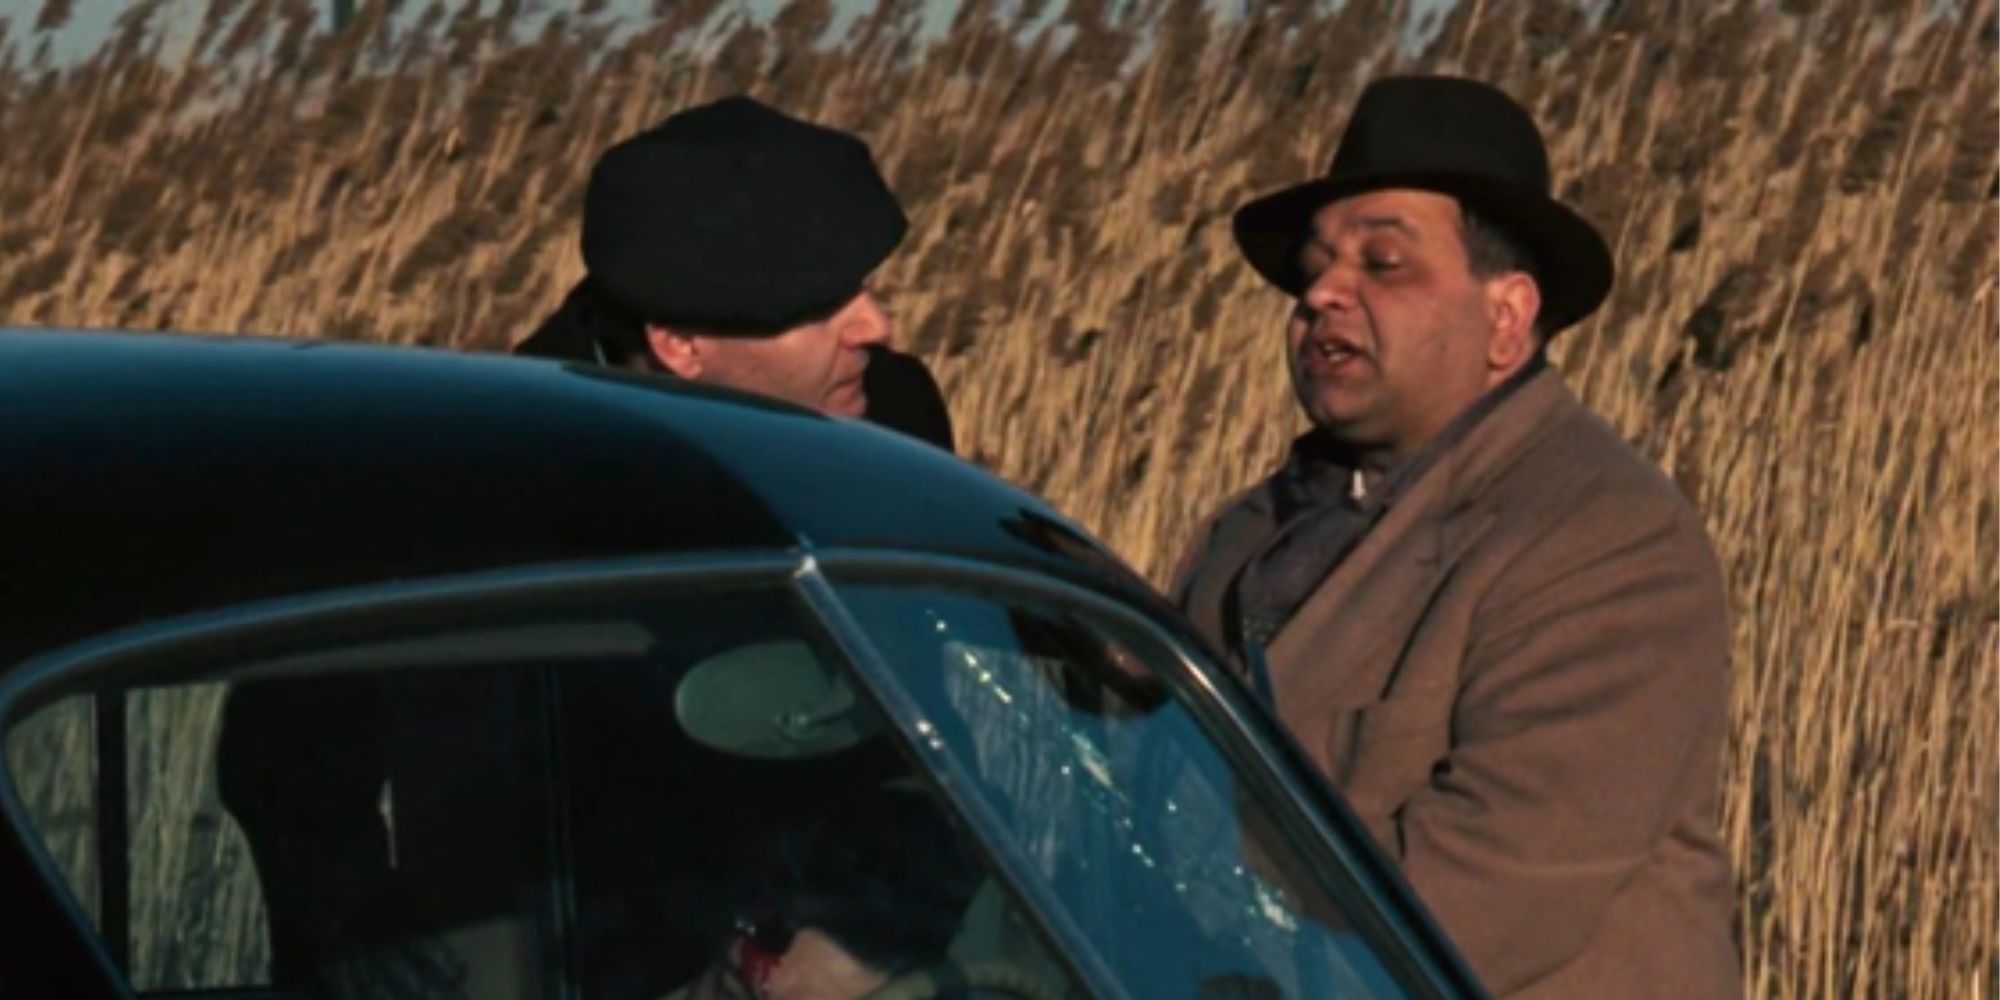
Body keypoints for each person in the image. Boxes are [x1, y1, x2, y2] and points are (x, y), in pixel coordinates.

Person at [1171, 76, 1737, 998]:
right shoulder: (1248, 534)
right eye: (1315, 268)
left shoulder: (1607, 540)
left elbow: (1481, 891)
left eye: (1382, 264)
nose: (1322, 295)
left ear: (1506, 319)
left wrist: (1200, 961)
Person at [515, 95, 953, 453]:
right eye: (820, 309)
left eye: (858, 285)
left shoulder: (898, 410)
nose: (878, 327)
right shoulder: (526, 465)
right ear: (682, 346)